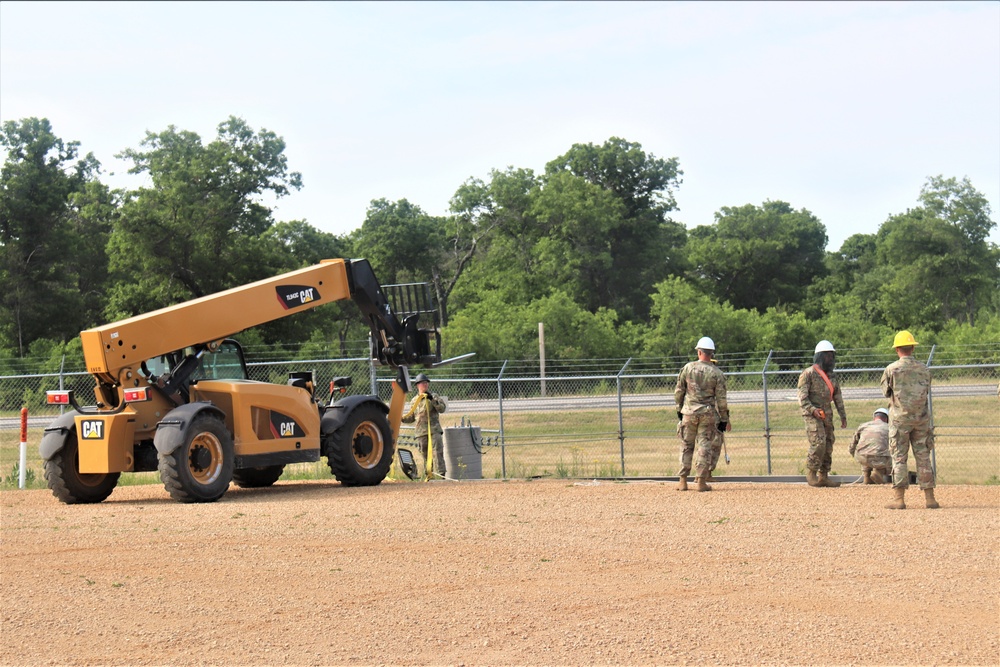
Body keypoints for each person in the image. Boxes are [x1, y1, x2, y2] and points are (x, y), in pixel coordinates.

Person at [881, 331, 939, 510]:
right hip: (921, 419)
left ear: (897, 349)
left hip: (900, 420)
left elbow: (886, 392)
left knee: (899, 457)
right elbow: (926, 391)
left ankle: (899, 499)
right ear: (913, 347)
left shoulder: (891, 369)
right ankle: (930, 499)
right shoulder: (924, 369)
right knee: (923, 456)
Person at [674, 337, 731, 492]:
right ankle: (701, 481)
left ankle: (683, 481)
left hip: (689, 412)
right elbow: (721, 399)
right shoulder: (717, 373)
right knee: (704, 446)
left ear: (699, 352)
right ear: (711, 353)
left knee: (686, 445)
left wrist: (679, 409)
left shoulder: (688, 368)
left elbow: (679, 391)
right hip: (707, 413)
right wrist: (724, 419)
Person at [797, 340, 848, 488]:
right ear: (820, 356)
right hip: (812, 415)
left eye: (832, 355)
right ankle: (811, 472)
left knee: (829, 443)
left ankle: (824, 475)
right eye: (828, 355)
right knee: (819, 442)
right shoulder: (808, 374)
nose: (831, 358)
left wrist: (843, 416)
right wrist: (813, 410)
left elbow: (837, 397)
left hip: (827, 414)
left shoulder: (832, 376)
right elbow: (802, 398)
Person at [401, 373, 448, 480]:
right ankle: (429, 476)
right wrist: (401, 418)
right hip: (421, 432)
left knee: (438, 453)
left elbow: (442, 409)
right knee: (425, 455)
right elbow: (412, 417)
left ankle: (441, 476)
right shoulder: (414, 400)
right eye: (422, 383)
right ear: (418, 385)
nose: (425, 385)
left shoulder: (434, 396)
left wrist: (432, 400)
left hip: (434, 430)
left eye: (426, 383)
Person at [850, 408, 892, 484]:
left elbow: (853, 444)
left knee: (865, 452)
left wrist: (853, 454)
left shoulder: (863, 426)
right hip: (880, 458)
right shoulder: (889, 428)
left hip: (862, 458)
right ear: (887, 418)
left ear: (874, 417)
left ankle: (867, 477)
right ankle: (878, 472)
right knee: (891, 456)